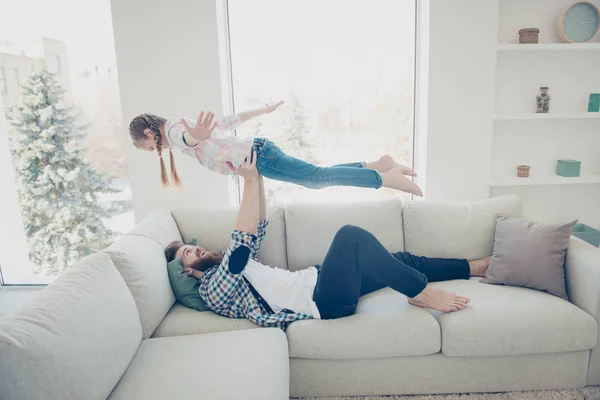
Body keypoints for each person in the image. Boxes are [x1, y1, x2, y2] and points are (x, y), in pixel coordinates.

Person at [164, 151, 489, 329]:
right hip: (323, 301)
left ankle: (472, 267)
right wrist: (248, 181)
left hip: (320, 280)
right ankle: (420, 293)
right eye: (187, 255)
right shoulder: (213, 290)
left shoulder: (237, 265)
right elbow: (239, 245)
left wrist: (257, 175)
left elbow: (258, 224)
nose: (194, 249)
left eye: (191, 246)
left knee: (398, 260)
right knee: (351, 237)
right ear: (189, 272)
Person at [129, 102, 422, 196]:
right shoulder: (182, 125)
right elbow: (229, 121)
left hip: (259, 156)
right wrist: (263, 110)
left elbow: (185, 139)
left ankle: (384, 179)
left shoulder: (175, 131)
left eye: (144, 147)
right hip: (258, 153)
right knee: (317, 177)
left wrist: (193, 138)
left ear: (147, 132)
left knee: (316, 179)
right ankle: (377, 165)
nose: (151, 150)